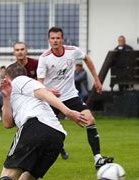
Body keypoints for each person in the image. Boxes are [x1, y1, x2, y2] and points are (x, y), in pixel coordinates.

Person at [0, 63, 86, 180]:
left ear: (8, 77)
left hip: (35, 127)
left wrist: (68, 112)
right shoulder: (13, 93)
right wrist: (6, 97)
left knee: (5, 179)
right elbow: (7, 123)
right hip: (56, 138)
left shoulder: (21, 81)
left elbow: (42, 93)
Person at [37, 27, 114, 169]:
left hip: (71, 96)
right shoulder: (44, 58)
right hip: (52, 99)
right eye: (52, 38)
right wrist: (49, 90)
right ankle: (46, 155)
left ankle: (98, 158)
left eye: (58, 38)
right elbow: (39, 83)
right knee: (46, 131)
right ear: (49, 40)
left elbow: (87, 59)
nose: (55, 41)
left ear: (62, 39)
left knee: (90, 119)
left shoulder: (72, 51)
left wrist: (96, 80)